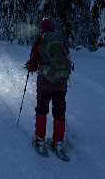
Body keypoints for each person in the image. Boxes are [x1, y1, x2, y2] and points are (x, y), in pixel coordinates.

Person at [24, 18, 74, 156]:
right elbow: (68, 60)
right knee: (59, 112)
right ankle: (58, 142)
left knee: (41, 109)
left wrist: (29, 66)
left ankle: (40, 139)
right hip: (61, 83)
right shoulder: (61, 40)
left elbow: (33, 63)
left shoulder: (40, 41)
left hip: (45, 83)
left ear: (42, 29)